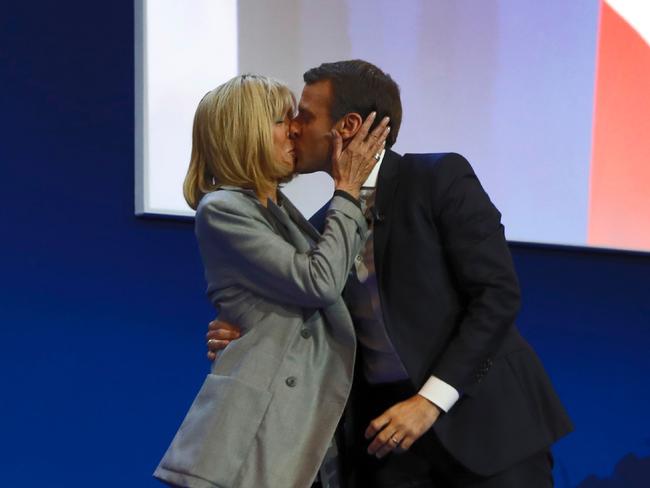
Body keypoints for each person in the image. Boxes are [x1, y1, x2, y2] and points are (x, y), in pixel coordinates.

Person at [207, 60, 573, 487]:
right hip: (386, 439)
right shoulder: (327, 226)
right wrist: (248, 332)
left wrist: (429, 401)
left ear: (348, 125)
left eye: (305, 116)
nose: (293, 128)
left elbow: (497, 296)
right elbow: (310, 318)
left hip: (485, 422)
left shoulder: (438, 179)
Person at [154, 73, 390, 488]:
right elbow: (318, 282)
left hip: (304, 426)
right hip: (258, 436)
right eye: (283, 120)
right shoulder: (223, 208)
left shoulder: (278, 210)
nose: (295, 130)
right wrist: (348, 190)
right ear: (246, 133)